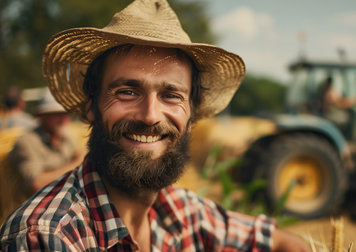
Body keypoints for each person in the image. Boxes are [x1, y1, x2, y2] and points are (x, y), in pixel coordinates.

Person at [0, 0, 311, 251]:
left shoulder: (177, 209)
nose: (150, 116)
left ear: (192, 115)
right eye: (127, 91)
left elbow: (284, 242)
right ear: (91, 106)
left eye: (171, 94)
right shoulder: (48, 236)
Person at [7, 89, 85, 195]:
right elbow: (36, 184)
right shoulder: (27, 143)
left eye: (67, 113)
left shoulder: (68, 139)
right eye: (57, 114)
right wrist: (78, 164)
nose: (64, 119)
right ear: (42, 116)